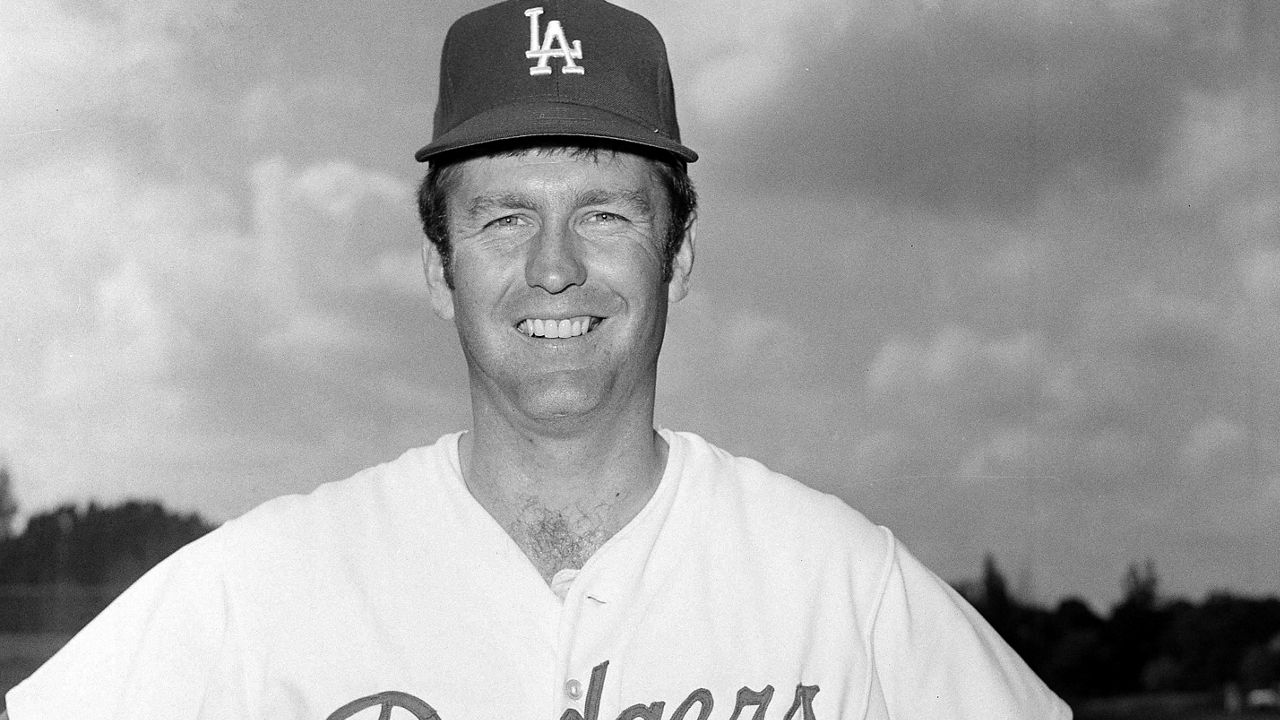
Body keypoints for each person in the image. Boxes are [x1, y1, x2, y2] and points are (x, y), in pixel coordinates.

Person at [5, 1, 1072, 718]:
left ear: (679, 256)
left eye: (604, 213)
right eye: (503, 218)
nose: (554, 268)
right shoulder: (256, 589)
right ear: (438, 270)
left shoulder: (844, 591)